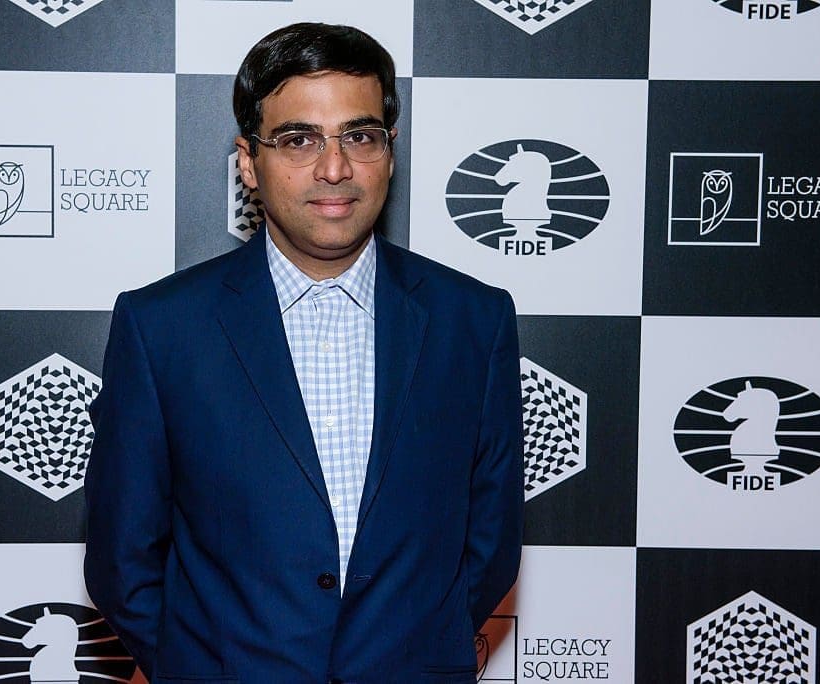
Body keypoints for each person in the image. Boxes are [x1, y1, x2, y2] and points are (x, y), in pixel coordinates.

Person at [84, 22, 523, 684]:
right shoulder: (162, 328)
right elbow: (122, 561)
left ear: (390, 151)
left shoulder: (474, 321)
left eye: (360, 136)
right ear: (247, 162)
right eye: (299, 140)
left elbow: (490, 545)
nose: (335, 168)